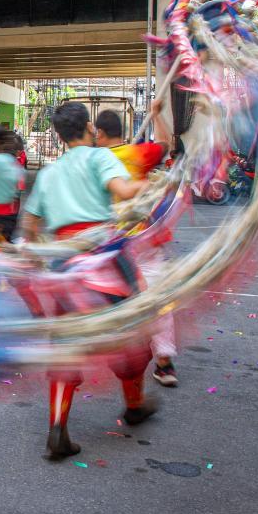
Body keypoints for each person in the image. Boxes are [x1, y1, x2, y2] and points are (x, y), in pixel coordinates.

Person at [21, 102, 153, 460]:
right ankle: (135, 405)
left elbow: (30, 223)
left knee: (66, 346)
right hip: (103, 258)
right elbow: (123, 191)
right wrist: (151, 183)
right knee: (132, 331)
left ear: (59, 134)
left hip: (65, 265)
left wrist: (37, 253)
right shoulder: (99, 157)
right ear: (90, 127)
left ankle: (58, 426)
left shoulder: (49, 173)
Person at [94, 101, 179, 386]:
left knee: (110, 297)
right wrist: (157, 115)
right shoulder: (138, 153)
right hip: (144, 238)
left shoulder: (97, 160)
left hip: (112, 242)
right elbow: (165, 144)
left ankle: (121, 354)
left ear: (100, 133)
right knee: (156, 298)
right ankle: (164, 361)